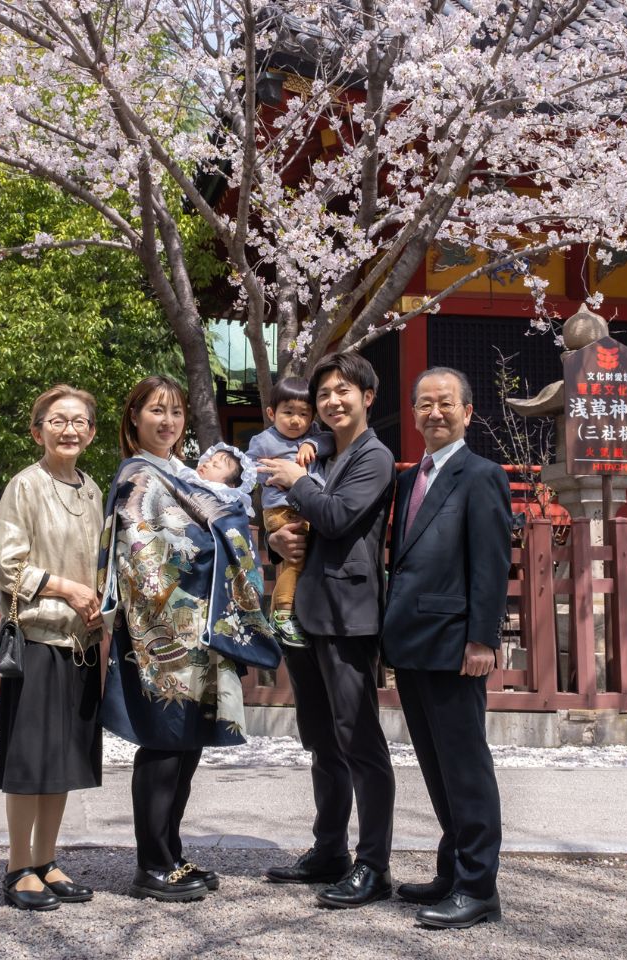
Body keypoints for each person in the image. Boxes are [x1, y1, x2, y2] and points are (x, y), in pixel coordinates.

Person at [99, 376, 281, 902]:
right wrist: (209, 553)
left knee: (186, 745)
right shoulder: (137, 475)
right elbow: (140, 556)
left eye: (176, 411)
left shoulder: (179, 472)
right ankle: (151, 864)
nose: (169, 421)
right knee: (163, 741)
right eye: (156, 411)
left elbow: (222, 521)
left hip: (198, 630)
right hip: (163, 631)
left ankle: (170, 854)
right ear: (134, 417)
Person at [259, 351, 397, 909]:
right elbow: (310, 526)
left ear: (368, 396)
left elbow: (337, 517)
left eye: (344, 390)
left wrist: (296, 481)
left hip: (349, 616)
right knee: (320, 739)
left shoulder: (373, 457)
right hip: (309, 610)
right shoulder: (329, 457)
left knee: (359, 741)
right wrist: (277, 541)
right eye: (324, 395)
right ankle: (329, 850)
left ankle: (374, 864)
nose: (333, 401)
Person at [383, 367, 511, 929]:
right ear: (413, 414)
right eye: (424, 405)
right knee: (434, 765)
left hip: (457, 643)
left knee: (465, 766)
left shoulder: (480, 475)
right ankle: (451, 869)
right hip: (413, 643)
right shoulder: (410, 480)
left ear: (466, 410)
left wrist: (484, 637)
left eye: (445, 404)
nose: (434, 413)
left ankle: (479, 886)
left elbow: (491, 562)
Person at [0, 385, 105, 912]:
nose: (69, 429)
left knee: (62, 761)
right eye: (57, 421)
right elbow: (4, 566)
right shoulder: (25, 486)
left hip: (80, 641)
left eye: (79, 421)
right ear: (38, 431)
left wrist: (101, 598)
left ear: (92, 432)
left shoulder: (93, 489)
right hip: (36, 638)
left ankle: (47, 859)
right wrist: (68, 588)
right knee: (31, 760)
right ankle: (17, 866)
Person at [246, 377, 327, 646]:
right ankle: (281, 612)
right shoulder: (265, 441)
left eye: (303, 414)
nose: (296, 420)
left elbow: (327, 440)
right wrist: (271, 476)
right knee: (296, 559)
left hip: (305, 507)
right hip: (282, 507)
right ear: (272, 413)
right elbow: (248, 470)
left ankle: (282, 614)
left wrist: (311, 445)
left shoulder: (312, 436)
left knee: (299, 559)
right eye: (288, 412)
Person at [192, 441, 258, 517]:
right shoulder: (183, 479)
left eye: (215, 465)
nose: (206, 464)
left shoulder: (230, 511)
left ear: (230, 486)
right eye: (208, 460)